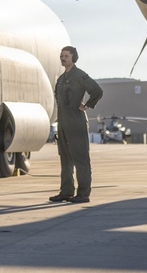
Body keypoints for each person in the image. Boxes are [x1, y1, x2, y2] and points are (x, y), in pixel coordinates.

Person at [49, 45, 103, 204]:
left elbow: (97, 91)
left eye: (66, 55)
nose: (62, 58)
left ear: (73, 57)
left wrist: (87, 105)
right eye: (61, 55)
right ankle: (66, 191)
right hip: (63, 124)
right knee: (65, 159)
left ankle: (83, 193)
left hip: (76, 122)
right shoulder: (61, 78)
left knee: (81, 159)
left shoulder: (80, 75)